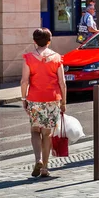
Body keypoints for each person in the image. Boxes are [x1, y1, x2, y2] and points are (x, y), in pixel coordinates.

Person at [20, 28, 66, 177]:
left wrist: (23, 98)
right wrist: (64, 101)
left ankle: (38, 159)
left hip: (35, 98)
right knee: (47, 134)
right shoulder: (57, 57)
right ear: (49, 40)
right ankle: (45, 168)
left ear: (34, 41)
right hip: (53, 99)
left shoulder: (28, 58)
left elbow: (24, 81)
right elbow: (62, 82)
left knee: (35, 130)